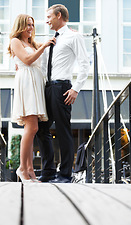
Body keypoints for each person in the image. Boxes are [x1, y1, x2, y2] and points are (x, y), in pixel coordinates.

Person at [36, 4, 90, 183]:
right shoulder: (51, 39)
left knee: (63, 129)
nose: (47, 20)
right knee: (41, 129)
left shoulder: (74, 37)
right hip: (48, 88)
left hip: (62, 88)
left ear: (59, 15)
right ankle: (49, 171)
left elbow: (84, 64)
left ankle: (66, 174)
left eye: (49, 16)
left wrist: (76, 89)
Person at [8, 14, 56, 183]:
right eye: (28, 25)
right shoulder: (16, 41)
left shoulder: (32, 43)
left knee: (32, 128)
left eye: (32, 25)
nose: (30, 28)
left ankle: (30, 171)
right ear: (20, 25)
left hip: (36, 83)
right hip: (27, 83)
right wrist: (44, 46)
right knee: (32, 128)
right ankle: (22, 168)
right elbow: (27, 60)